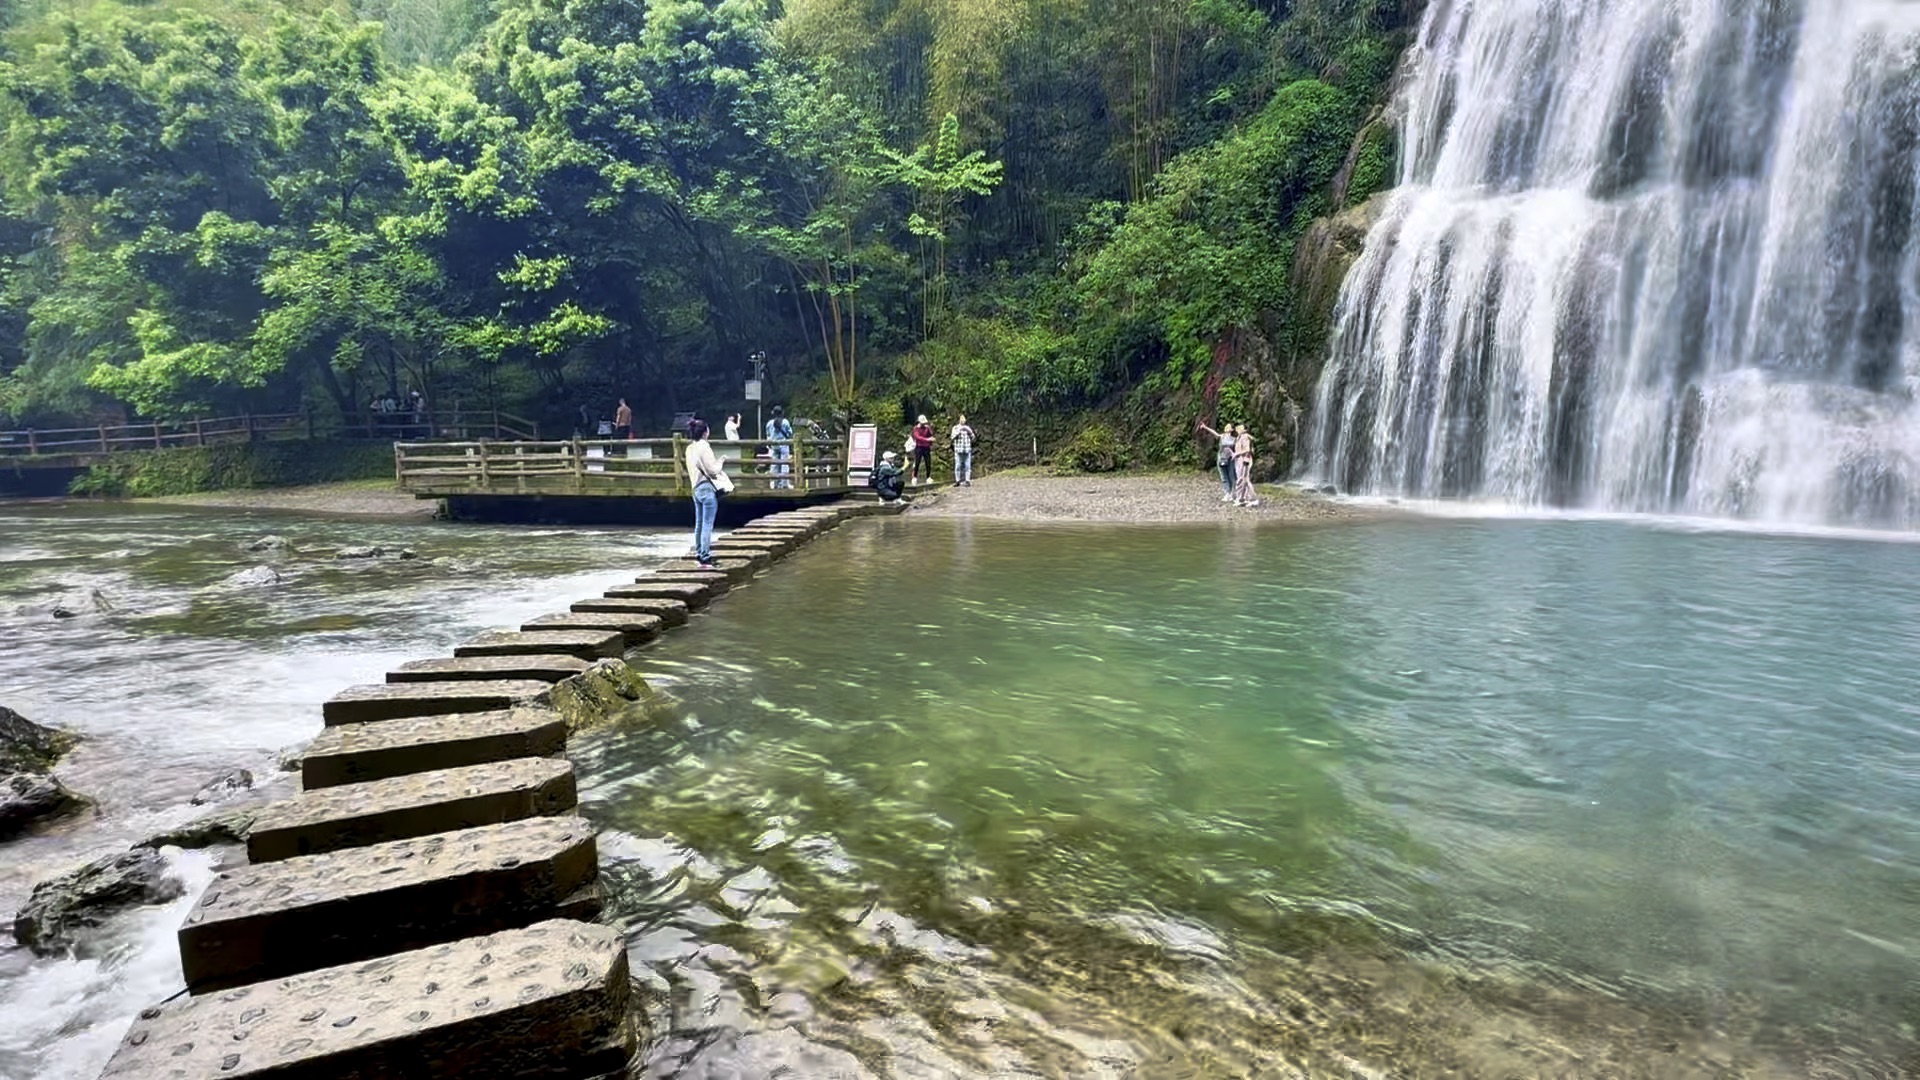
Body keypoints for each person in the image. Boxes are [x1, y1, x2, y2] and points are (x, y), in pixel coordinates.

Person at [684, 418, 726, 567]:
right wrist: (720, 462)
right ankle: (706, 556)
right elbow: (712, 470)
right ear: (704, 432)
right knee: (708, 524)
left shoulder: (689, 449)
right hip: (706, 487)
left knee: (699, 524)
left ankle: (700, 553)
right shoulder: (704, 447)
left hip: (695, 488)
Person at [1197, 419, 1236, 502]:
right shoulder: (1222, 436)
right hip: (1221, 458)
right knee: (1224, 476)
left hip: (1230, 459)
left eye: (1228, 426)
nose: (1226, 427)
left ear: (1232, 429)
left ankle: (1232, 493)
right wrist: (1205, 427)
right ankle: (1227, 493)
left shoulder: (1234, 439)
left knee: (1231, 476)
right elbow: (1213, 432)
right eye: (1226, 426)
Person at [766, 405, 795, 489]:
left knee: (775, 464)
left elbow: (768, 435)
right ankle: (784, 484)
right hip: (783, 444)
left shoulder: (769, 423)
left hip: (774, 445)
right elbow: (789, 433)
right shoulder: (785, 422)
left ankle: (775, 483)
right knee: (784, 464)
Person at [1231, 424, 1259, 508]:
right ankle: (1242, 498)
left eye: (1239, 428)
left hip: (1244, 460)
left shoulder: (1245, 437)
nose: (1237, 429)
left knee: (1244, 479)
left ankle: (1252, 499)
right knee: (1241, 479)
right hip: (1239, 460)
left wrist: (1236, 454)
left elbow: (1247, 450)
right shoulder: (1239, 438)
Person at [950, 413, 976, 486]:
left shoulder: (968, 428)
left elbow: (973, 437)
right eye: (961, 419)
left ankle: (967, 480)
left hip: (967, 450)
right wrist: (959, 431)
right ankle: (958, 480)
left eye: (964, 419)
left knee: (967, 466)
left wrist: (970, 433)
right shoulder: (955, 428)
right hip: (958, 450)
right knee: (958, 466)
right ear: (959, 420)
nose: (963, 420)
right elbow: (952, 437)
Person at [910, 414, 934, 485]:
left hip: (926, 447)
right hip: (919, 447)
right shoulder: (915, 429)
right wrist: (927, 439)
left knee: (928, 462)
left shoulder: (927, 428)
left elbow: (930, 435)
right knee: (917, 462)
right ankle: (914, 477)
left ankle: (928, 477)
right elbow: (918, 437)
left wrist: (930, 435)